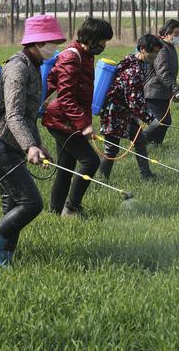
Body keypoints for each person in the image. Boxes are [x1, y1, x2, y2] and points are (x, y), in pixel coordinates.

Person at [0, 14, 66, 266]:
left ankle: (3, 257)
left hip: (10, 144)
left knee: (13, 203)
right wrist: (29, 146)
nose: (54, 47)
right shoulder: (17, 67)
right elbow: (13, 114)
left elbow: (29, 115)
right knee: (31, 203)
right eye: (51, 41)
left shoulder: (33, 65)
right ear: (36, 43)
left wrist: (38, 144)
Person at [42, 17, 113, 218]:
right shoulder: (71, 58)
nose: (104, 45)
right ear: (91, 38)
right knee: (90, 161)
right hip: (60, 120)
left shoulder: (86, 55)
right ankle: (72, 208)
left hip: (68, 120)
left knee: (66, 166)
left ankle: (55, 212)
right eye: (102, 40)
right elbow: (65, 98)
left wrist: (84, 123)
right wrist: (84, 125)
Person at [98, 34, 163, 181]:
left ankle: (146, 175)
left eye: (158, 53)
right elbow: (134, 101)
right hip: (114, 113)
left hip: (126, 113)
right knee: (111, 149)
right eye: (153, 52)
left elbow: (133, 101)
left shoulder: (136, 62)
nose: (156, 56)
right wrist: (150, 119)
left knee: (139, 141)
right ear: (142, 49)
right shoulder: (133, 70)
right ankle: (101, 180)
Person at [143, 19, 179, 145]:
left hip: (162, 92)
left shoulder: (170, 47)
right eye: (176, 34)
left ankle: (155, 144)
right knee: (161, 121)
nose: (178, 37)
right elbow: (163, 73)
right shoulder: (161, 49)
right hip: (153, 91)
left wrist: (173, 92)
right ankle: (140, 142)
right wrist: (176, 89)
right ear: (167, 33)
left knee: (164, 121)